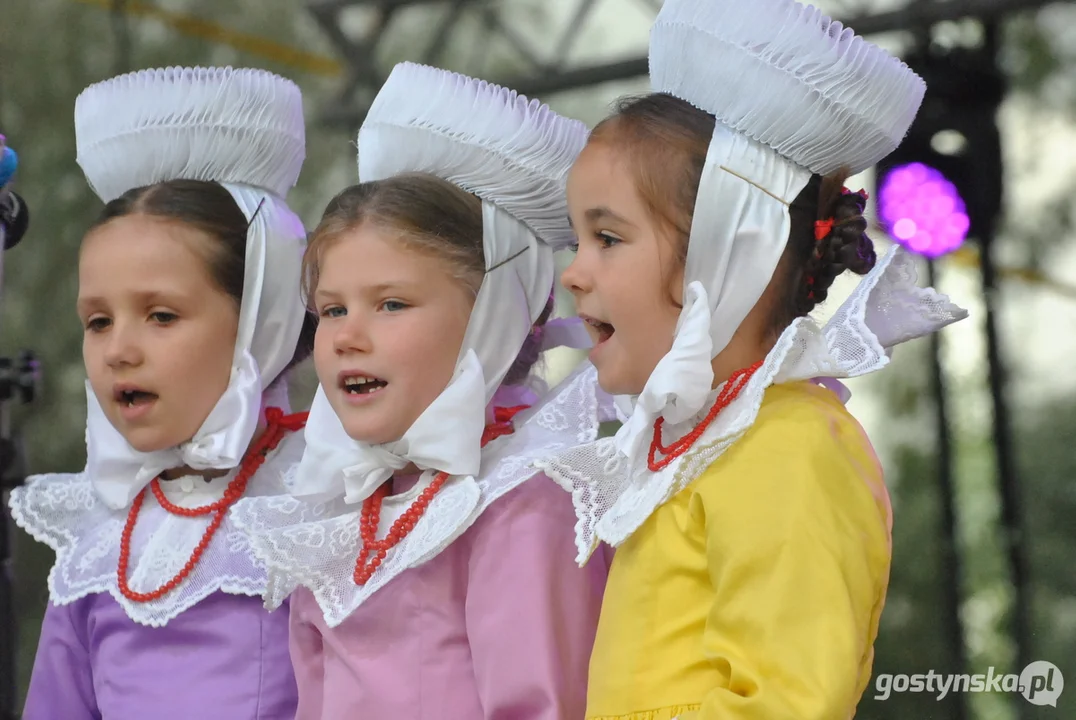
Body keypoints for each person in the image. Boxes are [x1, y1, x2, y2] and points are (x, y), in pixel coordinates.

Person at [536, 1, 970, 718]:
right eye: (576, 242)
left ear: (723, 252)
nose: (574, 273)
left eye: (607, 238)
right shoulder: (700, 445)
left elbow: (782, 704)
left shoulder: (792, 445)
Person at [230, 62, 611, 720]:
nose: (347, 336)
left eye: (391, 304)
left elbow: (541, 706)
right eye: (332, 310)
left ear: (492, 316)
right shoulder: (334, 510)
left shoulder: (522, 499)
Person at [9, 66, 313, 719]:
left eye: (162, 315)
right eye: (97, 321)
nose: (119, 348)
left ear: (262, 319)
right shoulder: (98, 544)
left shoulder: (327, 511)